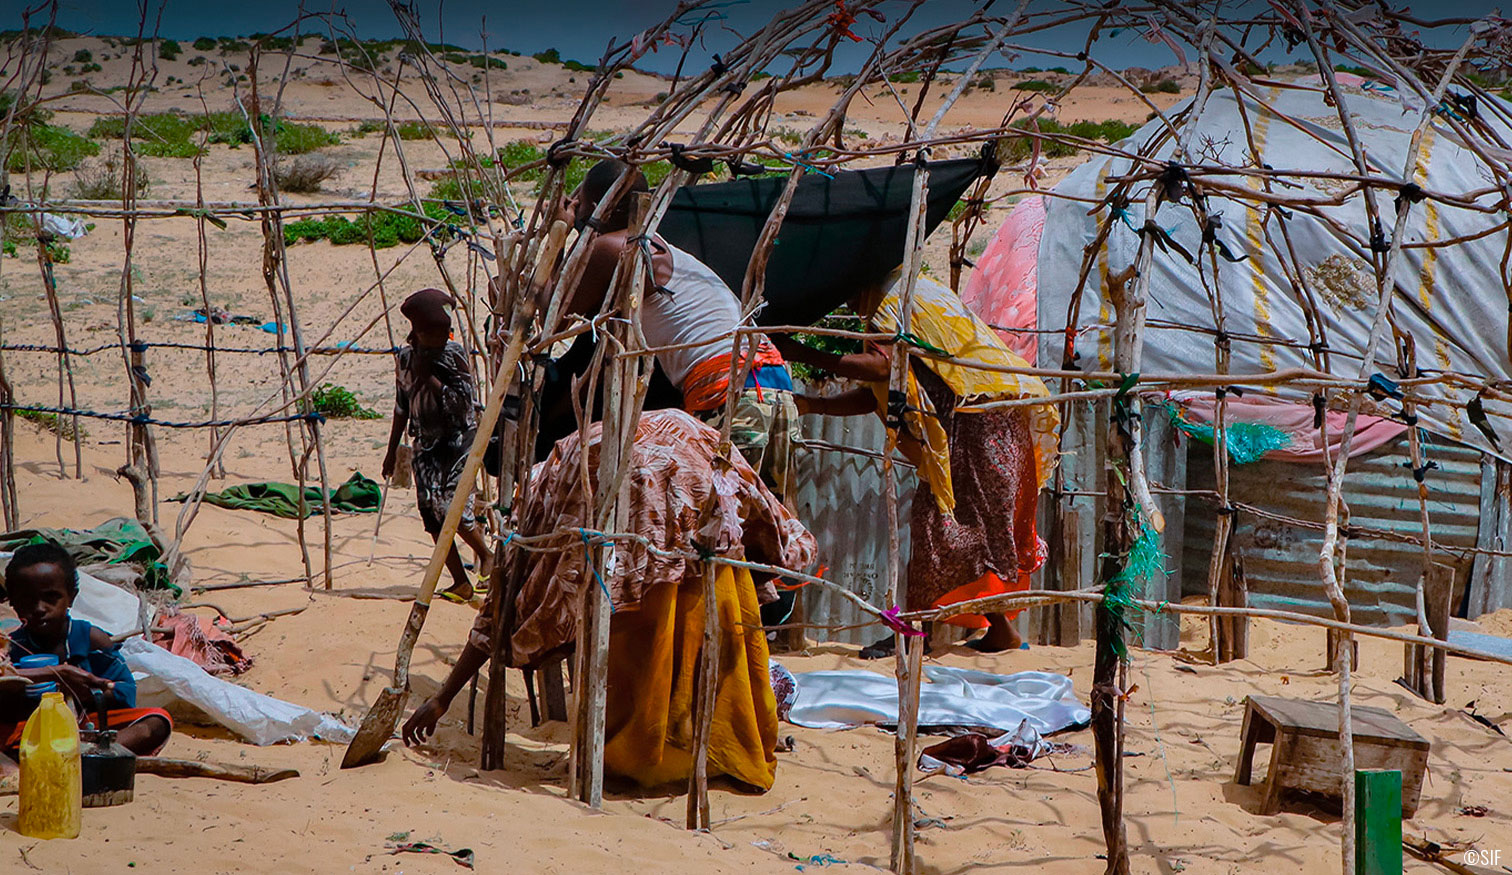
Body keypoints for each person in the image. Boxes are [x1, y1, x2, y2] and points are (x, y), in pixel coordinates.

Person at [402, 409, 816, 791]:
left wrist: (443, 696)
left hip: (642, 564)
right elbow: (762, 508)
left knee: (644, 673)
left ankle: (641, 764)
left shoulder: (561, 476)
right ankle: (727, 753)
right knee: (711, 670)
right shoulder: (657, 434)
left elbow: (506, 601)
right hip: (709, 551)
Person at [774, 270, 1059, 656]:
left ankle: (910, 632)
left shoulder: (891, 304)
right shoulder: (919, 297)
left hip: (978, 424)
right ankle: (995, 630)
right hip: (996, 421)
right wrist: (815, 406)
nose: (847, 305)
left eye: (846, 293)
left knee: (939, 527)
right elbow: (878, 393)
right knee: (975, 534)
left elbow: (881, 370)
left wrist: (805, 354)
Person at [555, 159, 801, 505]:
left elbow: (555, 318)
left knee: (717, 524)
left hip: (726, 389)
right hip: (772, 381)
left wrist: (560, 231)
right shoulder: (658, 246)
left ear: (596, 207)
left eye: (578, 201)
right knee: (774, 519)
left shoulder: (614, 247)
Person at [0, 543, 172, 755]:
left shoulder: (91, 640)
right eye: (27, 600)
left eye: (51, 597)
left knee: (155, 722)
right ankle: (85, 756)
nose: (39, 608)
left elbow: (126, 692)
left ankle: (92, 755)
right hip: (32, 729)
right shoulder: (11, 646)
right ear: (14, 602)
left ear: (71, 596)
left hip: (86, 726)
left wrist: (92, 693)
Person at [383, 288, 492, 602]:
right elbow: (402, 405)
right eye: (436, 333)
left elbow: (462, 405)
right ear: (417, 332)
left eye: (447, 332)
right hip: (425, 447)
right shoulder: (404, 358)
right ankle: (460, 581)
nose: (443, 337)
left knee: (451, 510)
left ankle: (486, 554)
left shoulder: (454, 355)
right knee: (431, 515)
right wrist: (392, 450)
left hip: (458, 443)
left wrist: (428, 377)